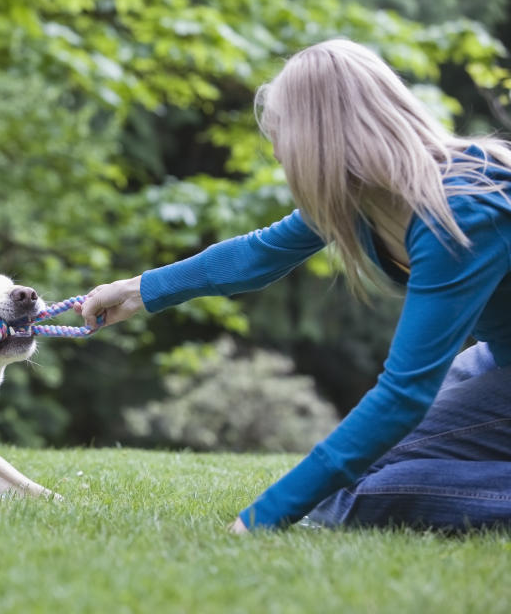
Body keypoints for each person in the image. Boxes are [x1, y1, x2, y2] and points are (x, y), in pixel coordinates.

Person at [77, 38, 511, 532]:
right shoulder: (366, 199)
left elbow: (403, 395)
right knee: (355, 474)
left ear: (318, 137)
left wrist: (262, 518)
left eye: (281, 133)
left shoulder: (459, 213)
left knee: (360, 495)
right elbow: (258, 253)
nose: (279, 153)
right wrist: (138, 290)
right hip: (498, 361)